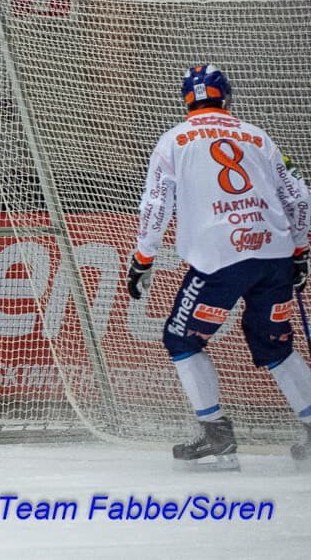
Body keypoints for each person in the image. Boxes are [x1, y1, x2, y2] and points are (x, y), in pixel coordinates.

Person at [127, 63, 311, 471]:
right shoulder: (258, 136)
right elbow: (299, 198)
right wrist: (299, 251)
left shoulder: (173, 141)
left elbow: (156, 204)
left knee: (182, 339)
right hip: (273, 256)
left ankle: (216, 433)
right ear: (227, 98)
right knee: (276, 344)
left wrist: (144, 258)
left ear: (186, 101)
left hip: (219, 260)